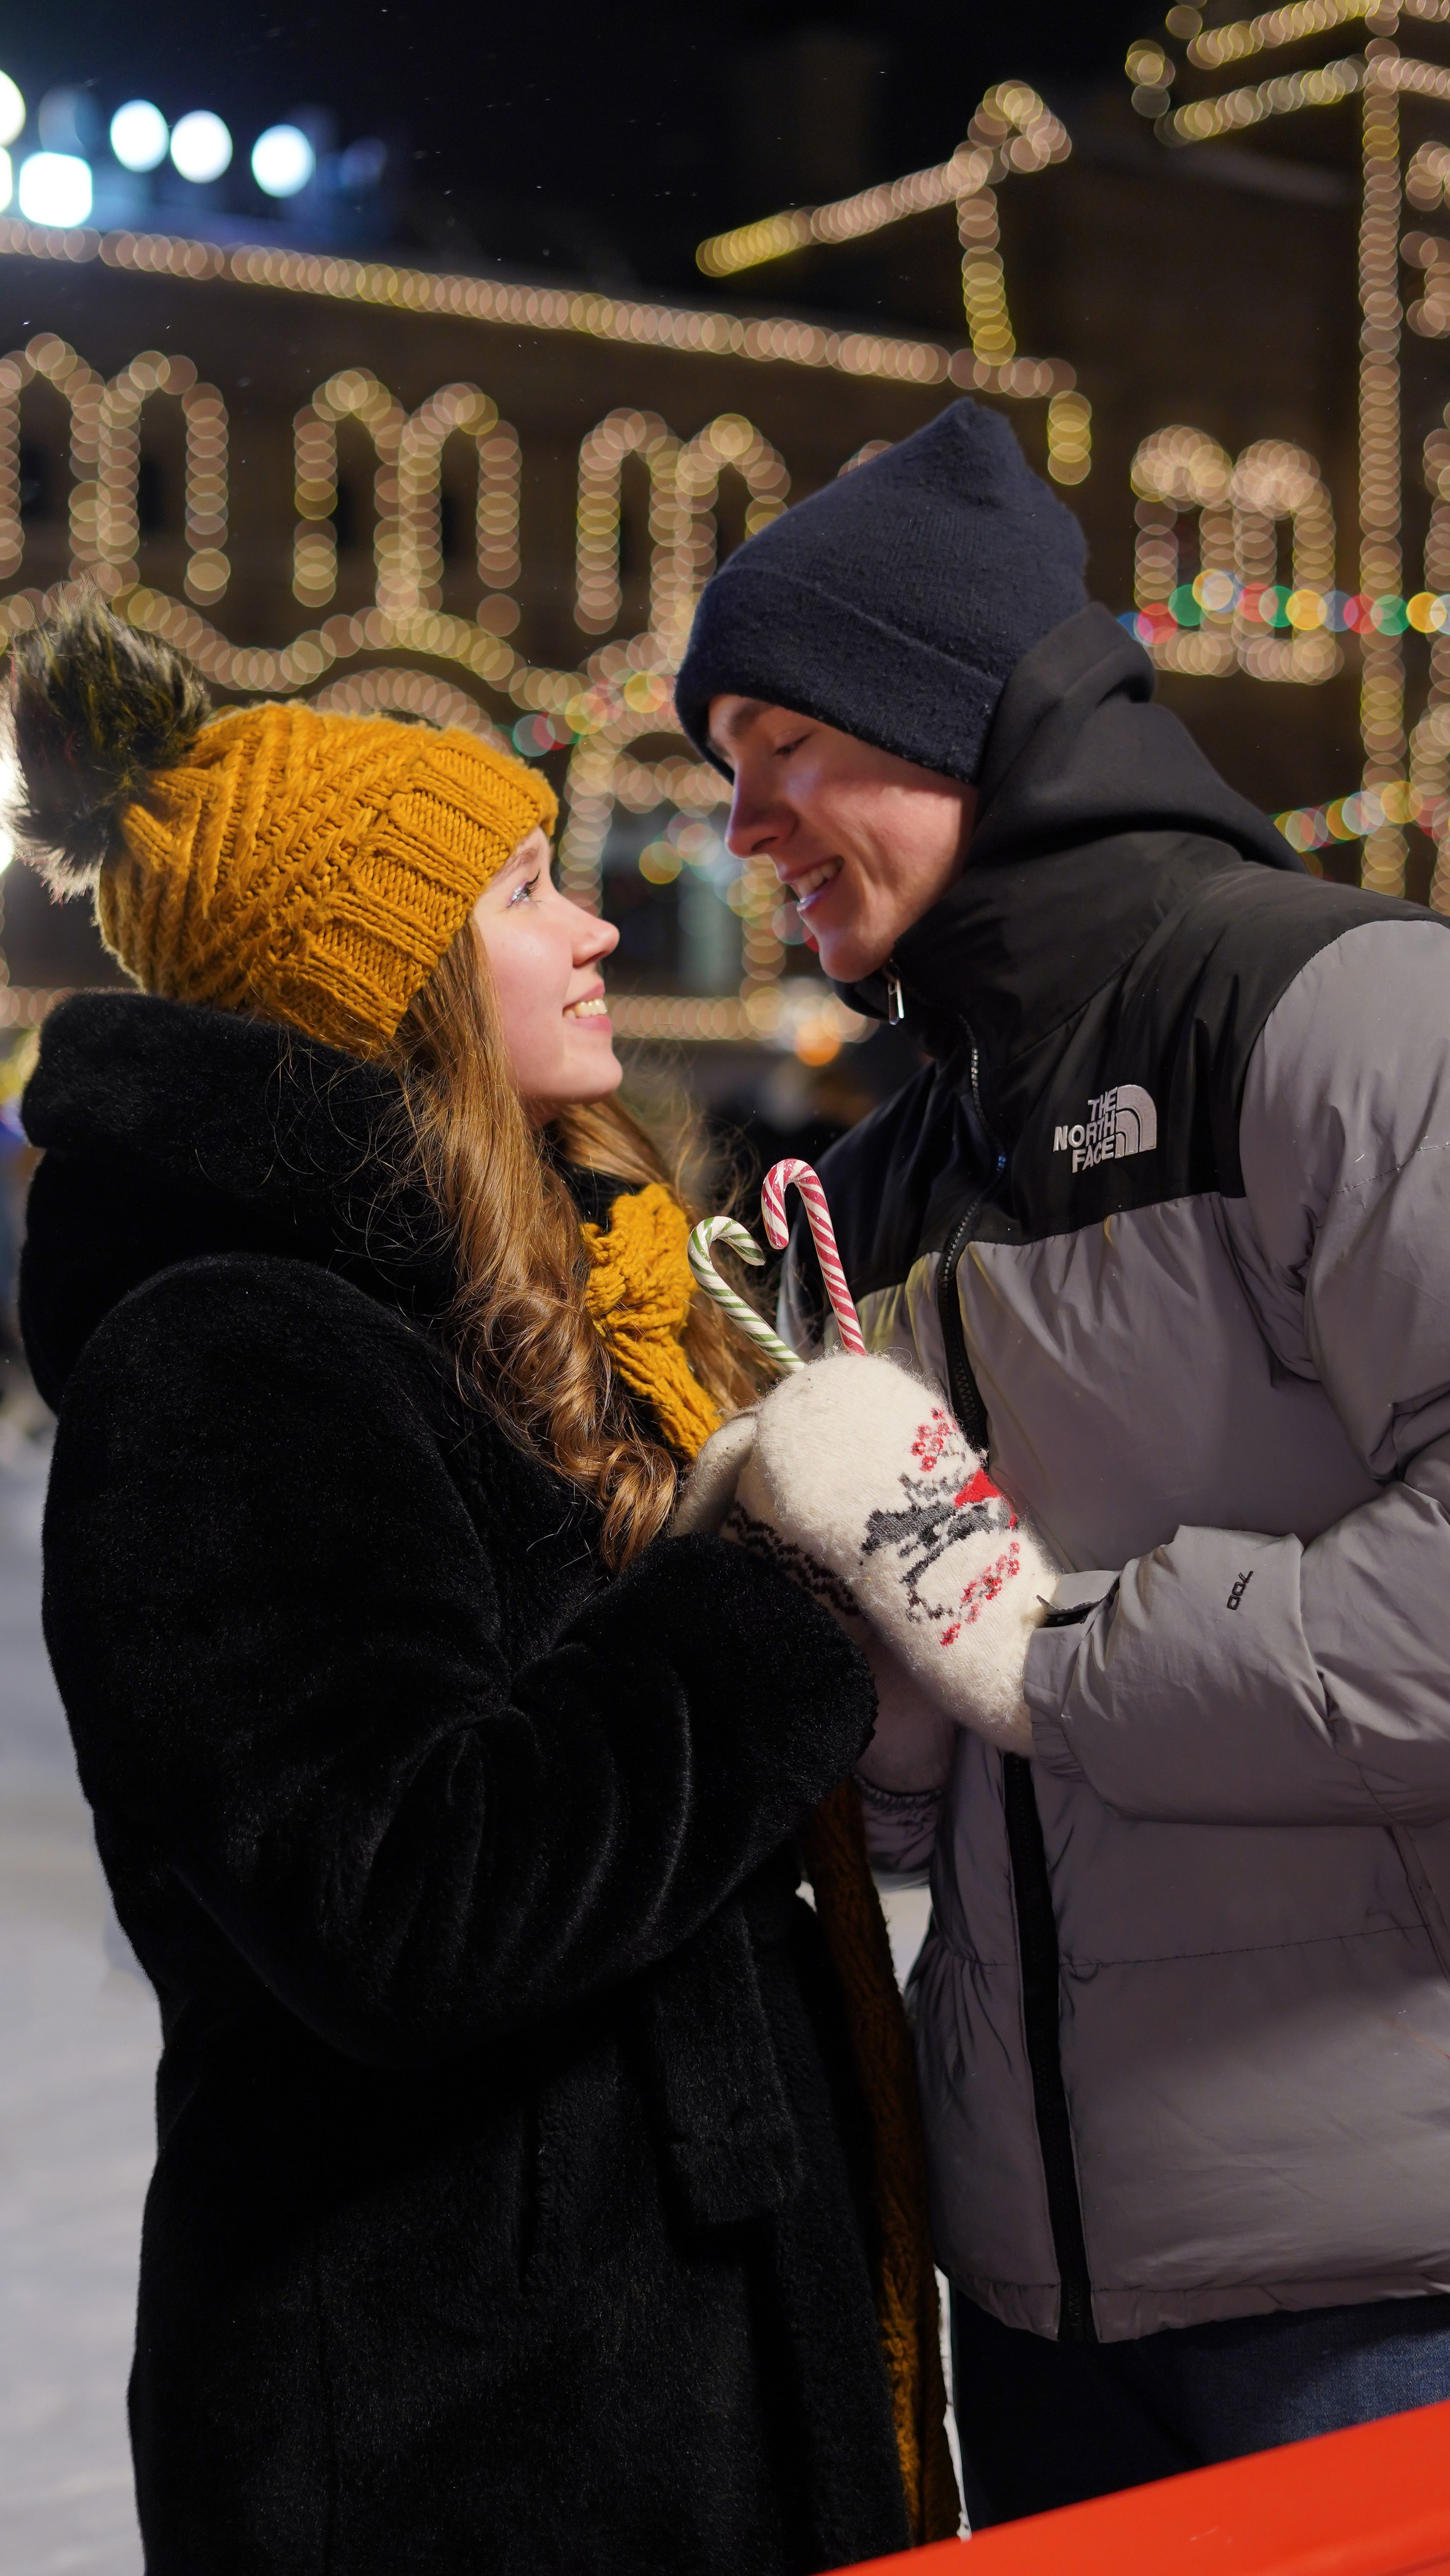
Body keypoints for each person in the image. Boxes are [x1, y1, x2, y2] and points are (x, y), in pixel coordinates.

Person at [12, 598, 942, 2575]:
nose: (598, 927)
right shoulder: (230, 1354)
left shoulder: (541, 1299)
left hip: (647, 2355)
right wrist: (769, 1588)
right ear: (394, 976)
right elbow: (403, 1899)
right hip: (469, 2425)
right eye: (528, 890)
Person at [675, 396, 1450, 2526]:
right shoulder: (907, 1166)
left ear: (958, 716)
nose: (743, 825)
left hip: (1383, 2276)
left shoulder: (1340, 1017)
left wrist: (1042, 1648)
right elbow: (946, 1770)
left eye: (781, 746)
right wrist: (860, 1644)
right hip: (1038, 2296)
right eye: (722, 769)